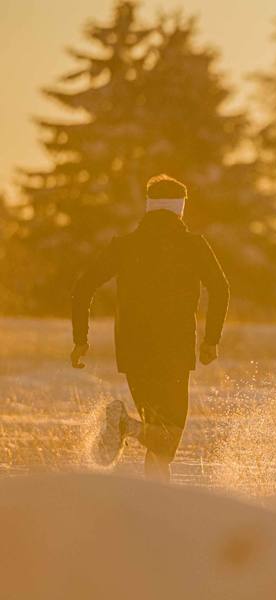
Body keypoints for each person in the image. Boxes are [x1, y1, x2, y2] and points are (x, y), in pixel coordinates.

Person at [70, 174, 229, 481]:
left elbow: (83, 287)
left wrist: (80, 340)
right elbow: (221, 288)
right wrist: (211, 341)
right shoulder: (193, 245)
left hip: (133, 350)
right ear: (180, 209)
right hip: (174, 350)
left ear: (149, 207)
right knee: (167, 439)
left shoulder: (125, 246)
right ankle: (126, 426)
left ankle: (157, 506)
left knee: (157, 437)